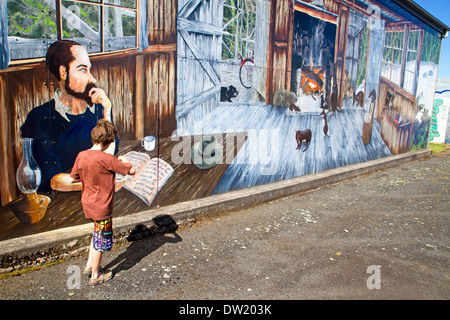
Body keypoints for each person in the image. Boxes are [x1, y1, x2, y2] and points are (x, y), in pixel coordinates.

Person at [20, 40, 118, 193]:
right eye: (83, 70)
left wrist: (107, 111)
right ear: (63, 73)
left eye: (89, 70)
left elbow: (112, 148)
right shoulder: (39, 118)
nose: (93, 79)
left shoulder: (97, 109)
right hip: (60, 205)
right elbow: (54, 179)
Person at [70, 119, 136, 285]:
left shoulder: (81, 155)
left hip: (88, 203)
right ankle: (96, 275)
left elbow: (74, 177)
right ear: (109, 141)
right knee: (101, 240)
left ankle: (89, 265)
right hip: (102, 207)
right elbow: (132, 171)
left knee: (96, 232)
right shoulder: (107, 159)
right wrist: (122, 160)